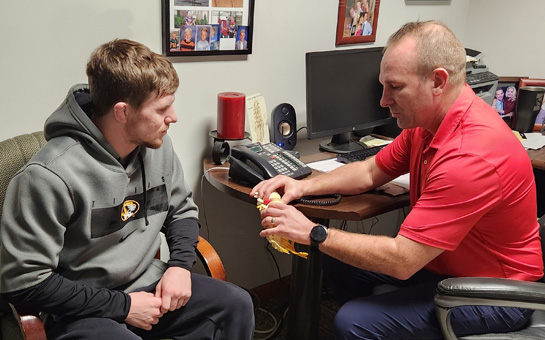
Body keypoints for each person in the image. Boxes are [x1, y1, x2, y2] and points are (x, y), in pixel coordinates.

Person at [251, 20, 543, 339]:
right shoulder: (426, 123)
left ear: (438, 81)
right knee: (336, 261)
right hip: (440, 264)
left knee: (354, 321)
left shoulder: (470, 154)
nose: (383, 100)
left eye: (396, 87)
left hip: (495, 292)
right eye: (383, 86)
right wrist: (303, 184)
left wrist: (313, 232)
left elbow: (403, 260)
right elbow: (370, 170)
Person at [0, 38, 254, 340]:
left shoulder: (157, 147)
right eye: (161, 109)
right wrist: (123, 306)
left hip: (150, 285)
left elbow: (182, 211)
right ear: (122, 112)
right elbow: (25, 282)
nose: (173, 117)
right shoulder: (48, 176)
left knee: (236, 305)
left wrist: (179, 266)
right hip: (82, 309)